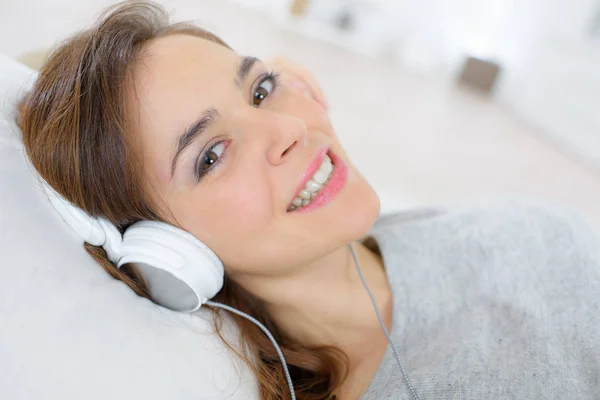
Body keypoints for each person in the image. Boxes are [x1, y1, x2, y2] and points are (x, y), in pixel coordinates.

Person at [17, 1, 600, 399]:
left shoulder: (535, 233)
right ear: (166, 249)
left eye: (260, 89)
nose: (288, 129)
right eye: (211, 155)